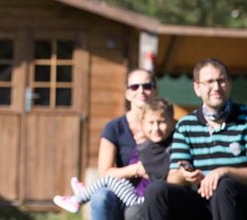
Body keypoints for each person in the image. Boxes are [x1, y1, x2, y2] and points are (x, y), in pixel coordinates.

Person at [142, 58, 247, 220]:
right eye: (209, 82)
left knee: (224, 185)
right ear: (197, 88)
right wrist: (185, 176)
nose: (216, 87)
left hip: (238, 200)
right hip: (200, 201)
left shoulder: (245, 118)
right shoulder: (186, 125)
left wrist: (225, 172)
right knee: (156, 190)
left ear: (229, 83)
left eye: (221, 81)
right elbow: (173, 177)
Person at [54, 97, 175, 213]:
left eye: (161, 122)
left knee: (109, 179)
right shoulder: (144, 146)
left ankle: (78, 198)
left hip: (143, 201)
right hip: (137, 196)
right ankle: (82, 194)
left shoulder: (169, 148)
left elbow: (158, 171)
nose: (155, 127)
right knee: (116, 181)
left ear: (171, 123)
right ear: (143, 123)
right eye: (151, 123)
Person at [88, 68, 158, 220]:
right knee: (100, 197)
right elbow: (104, 173)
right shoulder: (114, 127)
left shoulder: (166, 127)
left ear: (154, 91)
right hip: (120, 192)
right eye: (134, 87)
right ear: (127, 94)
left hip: (154, 190)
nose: (141, 91)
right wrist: (137, 169)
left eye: (147, 86)